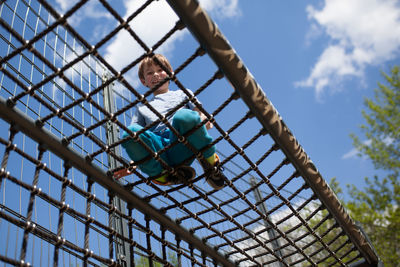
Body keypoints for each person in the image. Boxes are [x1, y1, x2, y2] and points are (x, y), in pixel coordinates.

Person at [120, 54, 226, 189]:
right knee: (131, 133)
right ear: (143, 81)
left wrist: (203, 122)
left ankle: (210, 163)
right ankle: (162, 176)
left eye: (160, 70)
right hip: (159, 153)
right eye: (150, 73)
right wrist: (134, 162)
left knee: (183, 116)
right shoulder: (142, 107)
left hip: (182, 143)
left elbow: (202, 117)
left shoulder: (183, 93)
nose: (156, 75)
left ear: (170, 73)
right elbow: (137, 135)